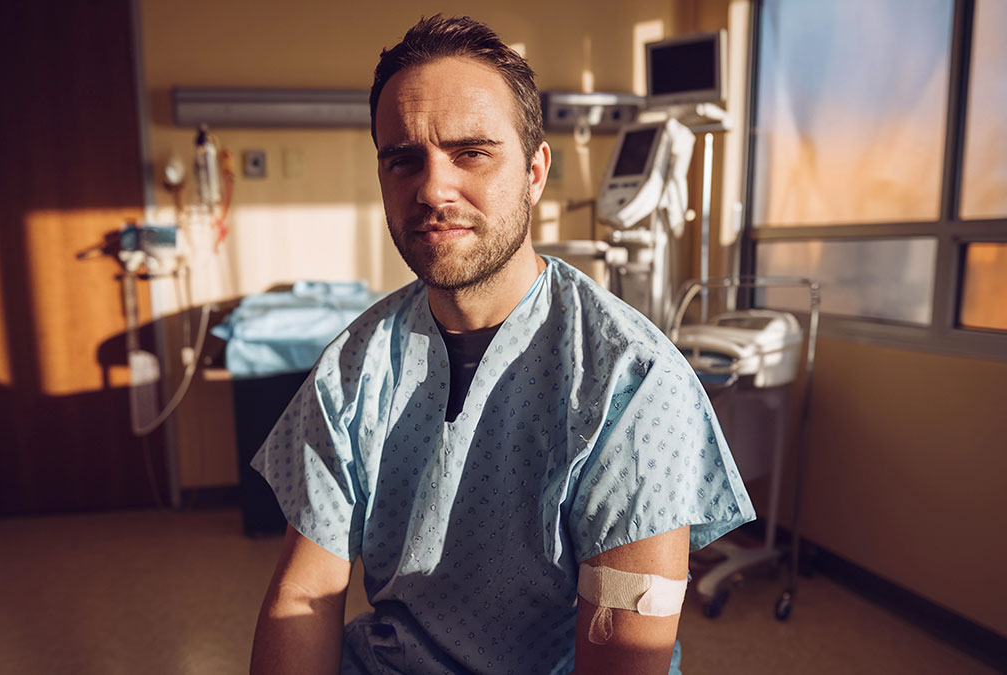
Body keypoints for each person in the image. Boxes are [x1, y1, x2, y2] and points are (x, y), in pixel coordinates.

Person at [249, 15, 754, 675]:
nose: (432, 189)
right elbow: (304, 591)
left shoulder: (629, 381)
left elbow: (623, 651)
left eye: (472, 152)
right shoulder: (355, 366)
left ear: (535, 171)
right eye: (404, 160)